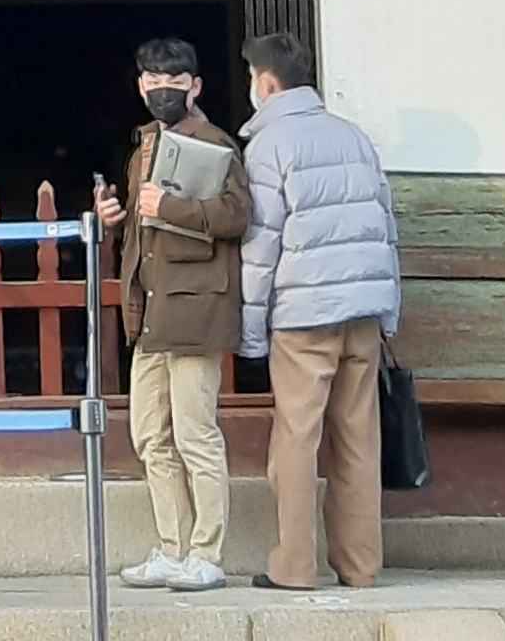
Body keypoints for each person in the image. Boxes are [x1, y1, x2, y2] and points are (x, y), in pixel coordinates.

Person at [226, 30, 399, 591]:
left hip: (304, 313)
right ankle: (360, 565)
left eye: (251, 78)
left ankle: (296, 566)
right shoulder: (355, 138)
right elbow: (386, 228)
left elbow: (261, 248)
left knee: (297, 441)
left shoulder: (270, 146)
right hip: (364, 312)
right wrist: (389, 312)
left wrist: (251, 335)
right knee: (359, 440)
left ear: (267, 83)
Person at [89, 37, 250, 591]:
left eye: (174, 82)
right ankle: (172, 547)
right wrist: (113, 216)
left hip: (197, 307)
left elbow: (237, 215)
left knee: (195, 434)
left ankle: (207, 553)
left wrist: (172, 207)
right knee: (150, 436)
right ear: (140, 86)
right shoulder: (143, 147)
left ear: (195, 86)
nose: (163, 91)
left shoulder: (216, 145)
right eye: (153, 81)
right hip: (150, 308)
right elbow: (144, 224)